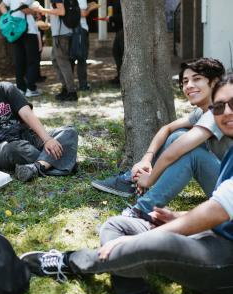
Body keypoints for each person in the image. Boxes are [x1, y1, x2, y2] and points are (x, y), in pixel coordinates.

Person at [21, 75, 233, 294]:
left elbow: (218, 209)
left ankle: (68, 262)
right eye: (219, 106)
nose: (226, 112)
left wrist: (143, 240)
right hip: (214, 237)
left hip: (226, 265)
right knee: (119, 225)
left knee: (150, 241)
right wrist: (177, 217)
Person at [92, 58, 231, 218]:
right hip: (226, 185)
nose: (189, 86)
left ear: (215, 83)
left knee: (190, 153)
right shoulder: (203, 112)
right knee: (177, 136)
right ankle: (135, 181)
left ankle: (140, 211)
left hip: (230, 193)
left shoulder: (218, 112)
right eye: (185, 81)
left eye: (197, 79)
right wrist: (146, 158)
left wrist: (150, 178)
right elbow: (168, 128)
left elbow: (177, 150)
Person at [0, 56, 78, 182]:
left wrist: (47, 139)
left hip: (24, 136)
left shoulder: (6, 89)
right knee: (18, 149)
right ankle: (61, 161)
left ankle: (37, 167)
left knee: (69, 132)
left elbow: (27, 114)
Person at [34, 0, 78, 102]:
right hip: (62, 32)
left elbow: (61, 11)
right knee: (56, 59)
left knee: (63, 62)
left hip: (61, 34)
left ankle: (71, 91)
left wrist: (42, 10)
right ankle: (66, 88)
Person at [0, 0, 42, 98]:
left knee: (19, 60)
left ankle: (21, 88)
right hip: (28, 29)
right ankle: (31, 88)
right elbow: (23, 7)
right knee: (32, 59)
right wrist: (36, 12)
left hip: (14, 30)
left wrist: (9, 18)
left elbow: (1, 5)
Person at [68, 0, 99, 91]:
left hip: (69, 30)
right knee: (81, 58)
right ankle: (83, 84)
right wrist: (92, 7)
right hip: (80, 29)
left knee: (70, 58)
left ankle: (69, 84)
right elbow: (82, 13)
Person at [107, 0, 123, 82]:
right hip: (119, 30)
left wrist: (111, 18)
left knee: (118, 53)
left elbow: (123, 16)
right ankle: (120, 76)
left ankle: (121, 77)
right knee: (117, 53)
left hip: (123, 31)